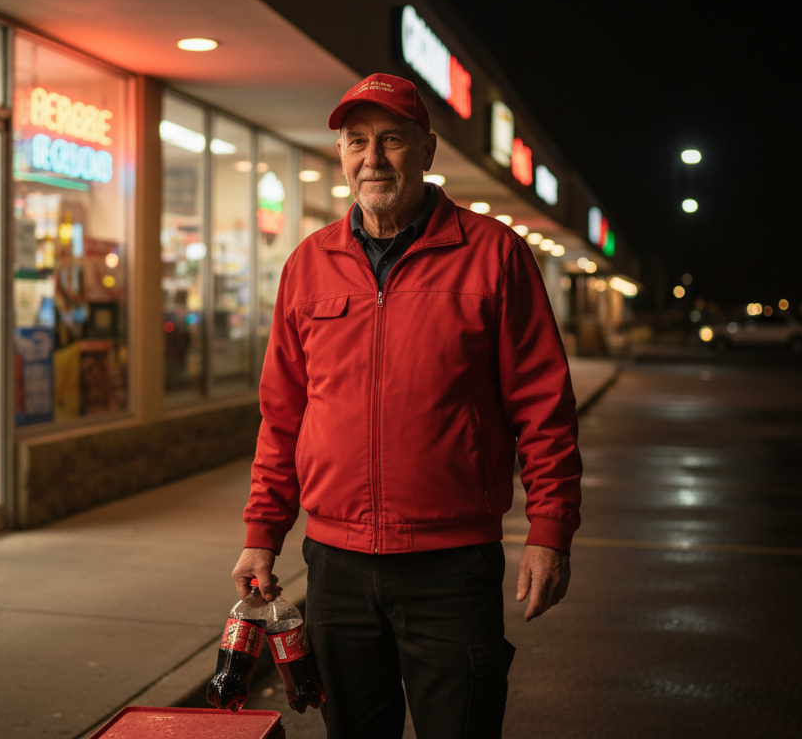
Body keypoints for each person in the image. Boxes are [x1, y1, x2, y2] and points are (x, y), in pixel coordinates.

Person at [231, 73, 582, 739]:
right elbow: (283, 416)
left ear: (427, 149)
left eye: (392, 139)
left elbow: (543, 406)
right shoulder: (308, 265)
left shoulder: (493, 256)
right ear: (341, 155)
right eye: (356, 141)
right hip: (335, 566)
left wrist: (550, 531)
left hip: (451, 567)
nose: (373, 158)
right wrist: (261, 536)